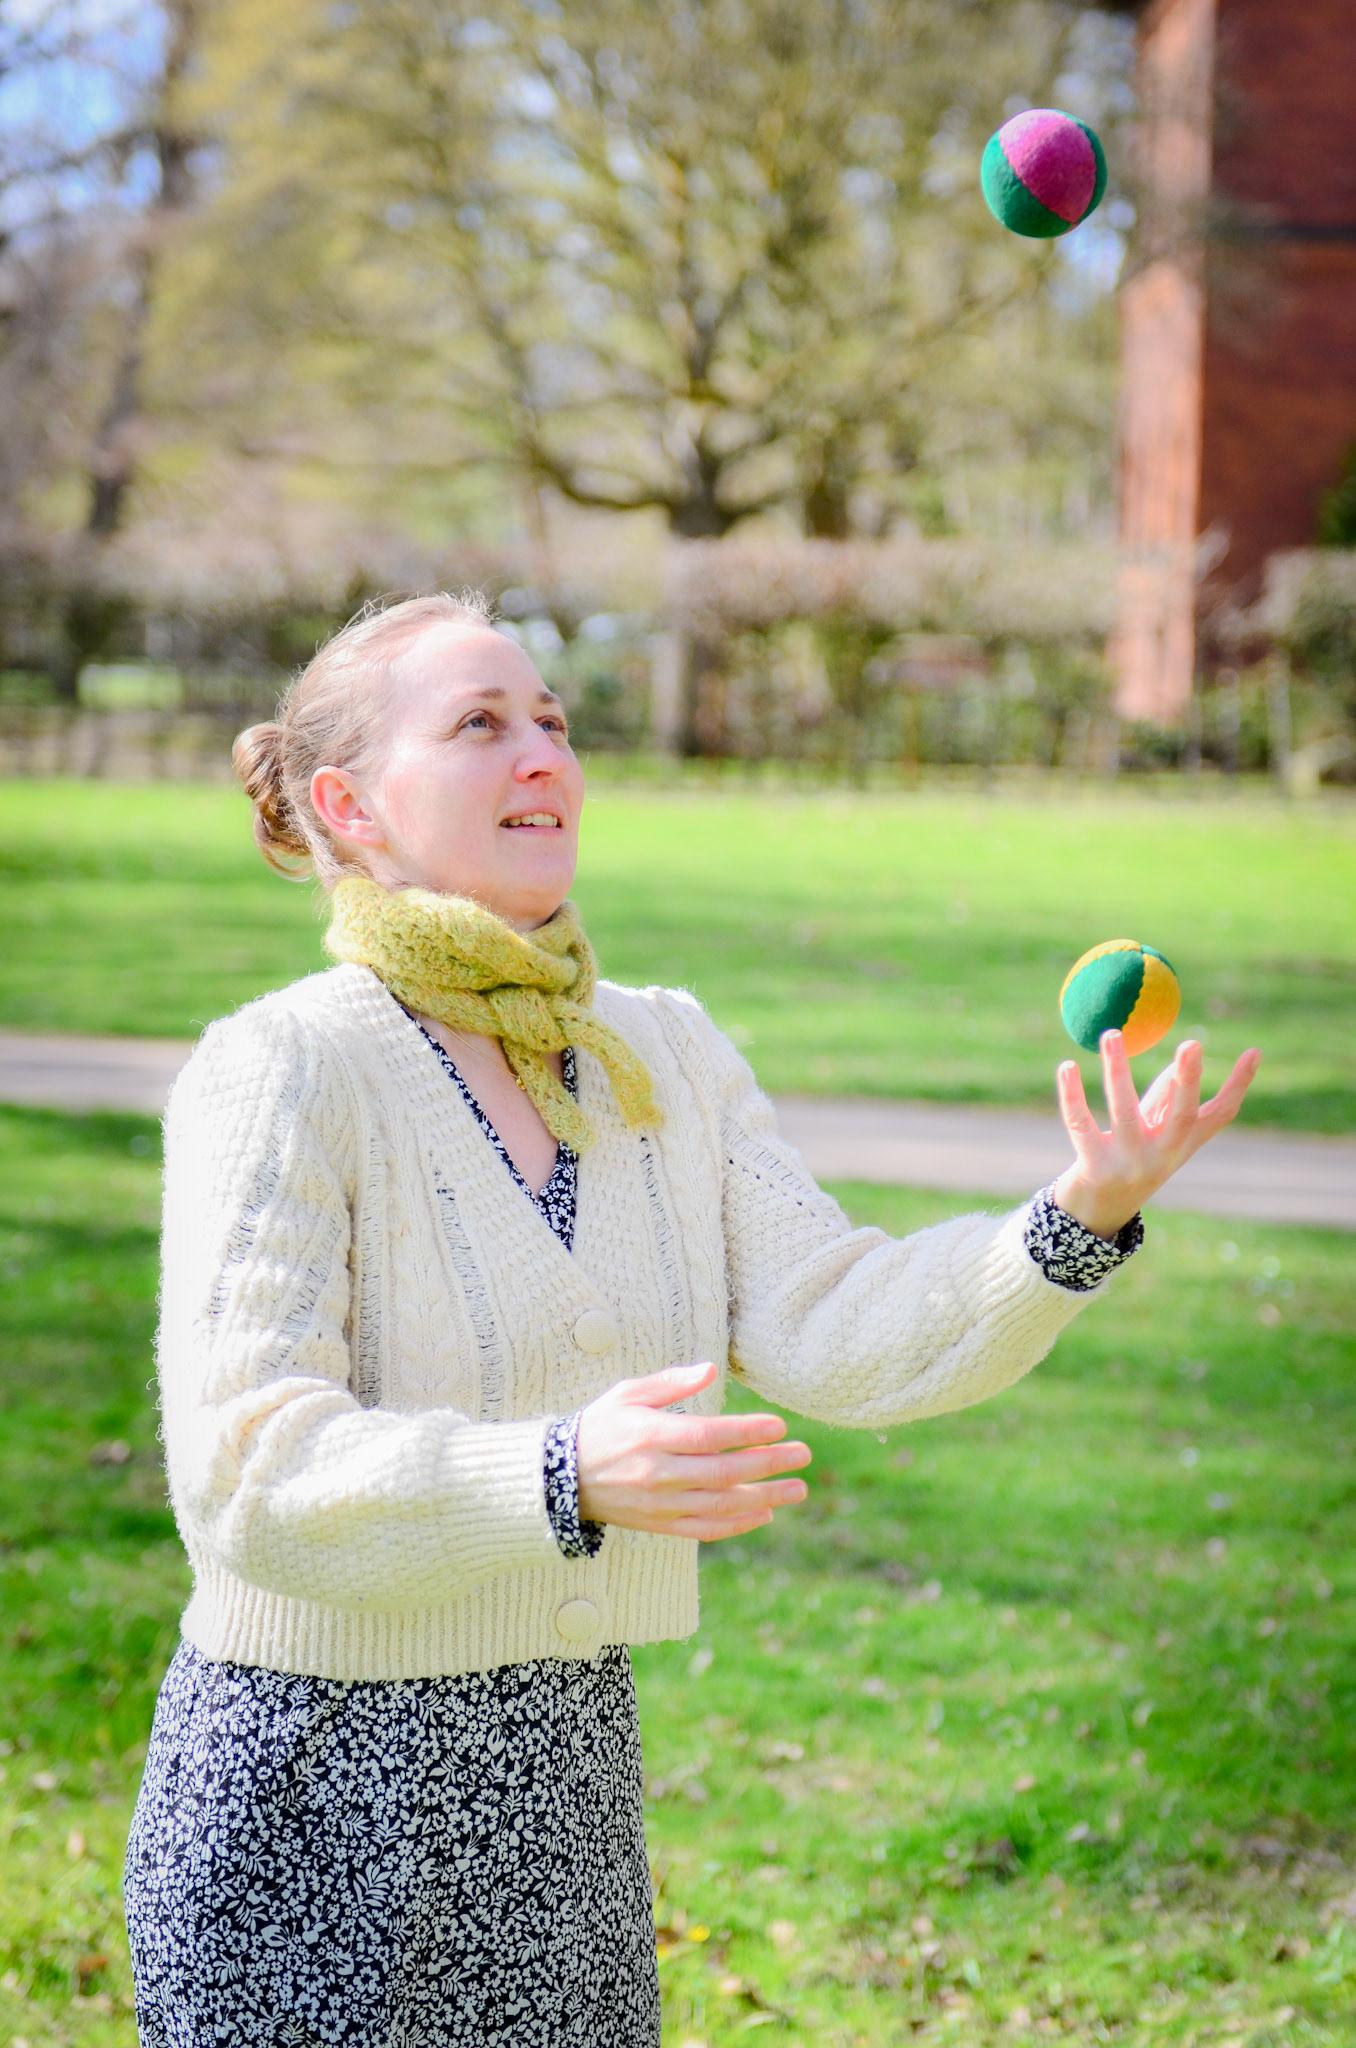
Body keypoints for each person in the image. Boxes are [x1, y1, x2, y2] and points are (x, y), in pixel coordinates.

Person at [122, 591, 1260, 2047]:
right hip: (311, 1804)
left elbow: (830, 1320)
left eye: (553, 720)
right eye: (479, 724)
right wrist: (560, 1473)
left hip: (563, 1799)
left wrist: (1078, 1218)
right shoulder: (283, 1065)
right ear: (348, 804)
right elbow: (245, 1475)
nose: (544, 754)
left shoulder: (659, 1044)